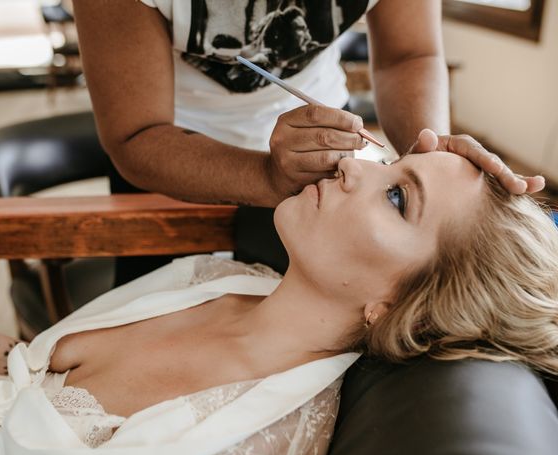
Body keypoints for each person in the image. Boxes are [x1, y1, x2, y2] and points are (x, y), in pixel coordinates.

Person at [0, 148, 557, 455]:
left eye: (396, 196)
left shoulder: (251, 446)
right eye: (386, 157)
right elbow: (39, 386)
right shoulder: (222, 275)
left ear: (398, 304)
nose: (352, 165)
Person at [70, 0, 545, 282]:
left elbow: (409, 53)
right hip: (174, 152)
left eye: (397, 196)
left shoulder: (343, 184)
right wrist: (263, 175)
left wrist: (428, 157)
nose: (362, 172)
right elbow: (137, 135)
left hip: (324, 137)